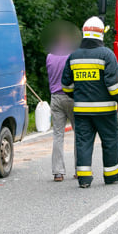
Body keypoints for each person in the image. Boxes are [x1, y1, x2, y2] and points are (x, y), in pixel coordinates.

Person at [61, 17, 118, 188]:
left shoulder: (73, 56)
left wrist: (78, 96)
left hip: (82, 111)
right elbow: (114, 85)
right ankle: (112, 175)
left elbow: (66, 85)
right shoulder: (106, 55)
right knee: (110, 142)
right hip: (105, 111)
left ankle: (84, 179)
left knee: (83, 143)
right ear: (100, 34)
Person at [46, 37, 75, 182]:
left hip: (55, 98)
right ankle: (79, 169)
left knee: (58, 135)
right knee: (80, 134)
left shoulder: (49, 57)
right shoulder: (72, 57)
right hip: (72, 97)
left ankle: (58, 172)